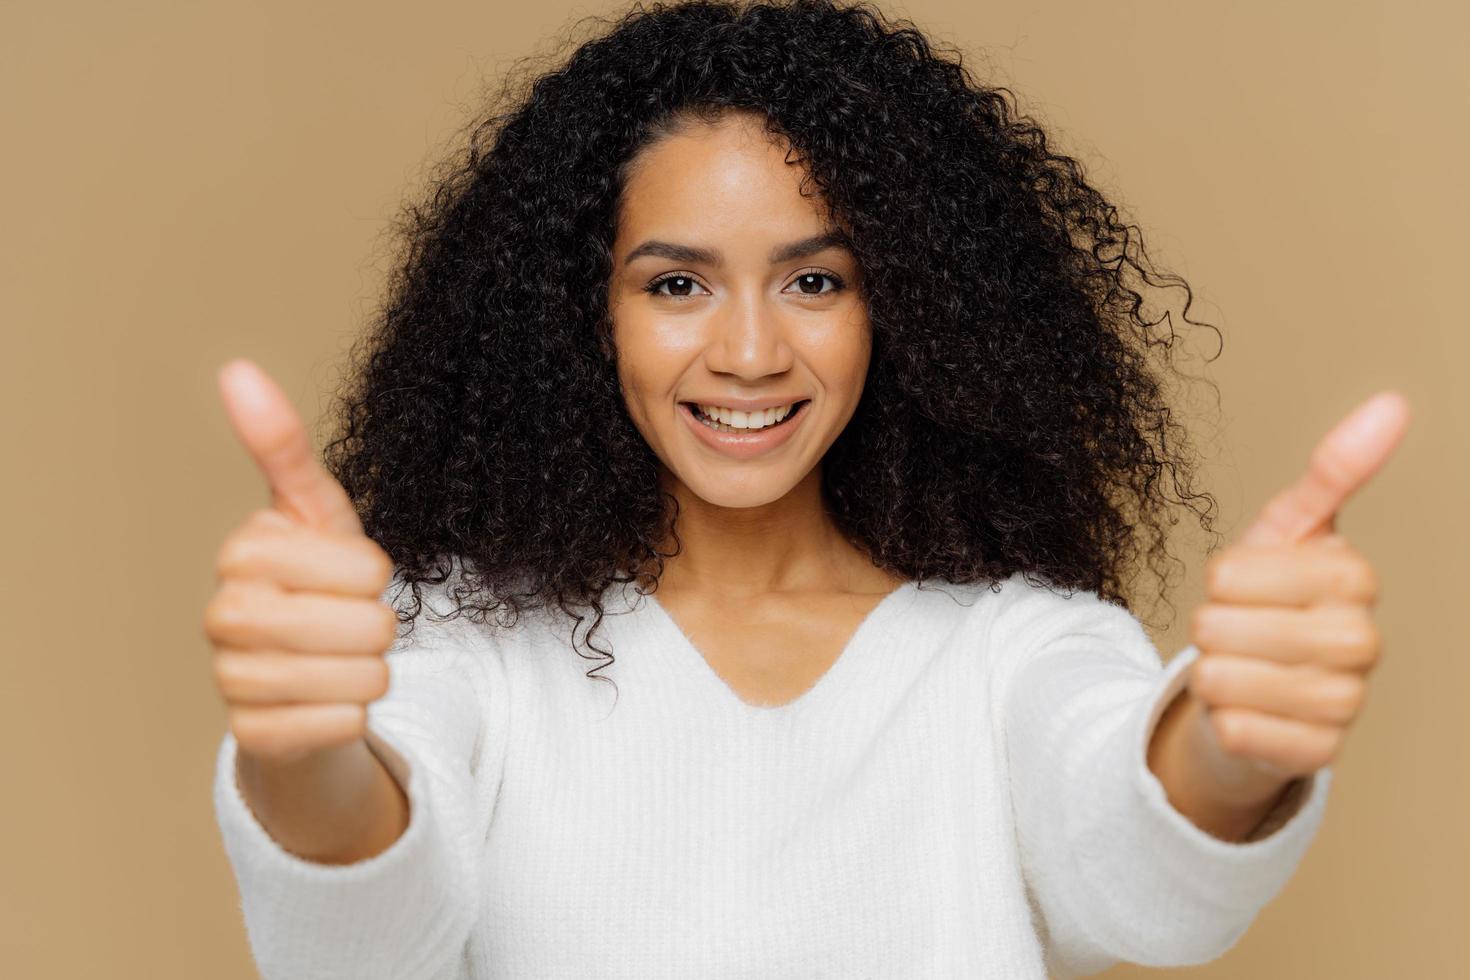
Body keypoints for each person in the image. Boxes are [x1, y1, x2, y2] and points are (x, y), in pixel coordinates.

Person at [205, 1, 1408, 977]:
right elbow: (355, 939)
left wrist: (1235, 738)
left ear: (908, 307)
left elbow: (1142, 868)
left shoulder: (1007, 649)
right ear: (586, 314)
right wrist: (303, 746)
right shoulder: (472, 645)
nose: (747, 353)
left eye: (815, 283)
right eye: (676, 285)